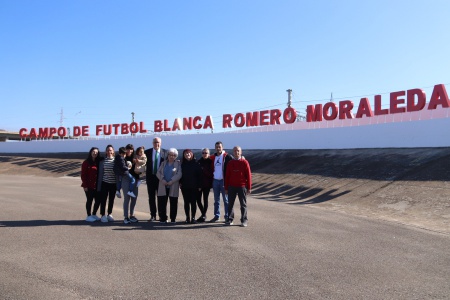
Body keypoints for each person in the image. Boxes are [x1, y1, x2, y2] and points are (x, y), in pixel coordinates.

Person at [224, 146, 252, 227]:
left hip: (242, 186)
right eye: (235, 151)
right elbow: (227, 176)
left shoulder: (245, 162)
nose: (236, 152)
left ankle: (244, 220)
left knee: (243, 204)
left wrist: (249, 187)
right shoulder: (230, 163)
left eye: (238, 151)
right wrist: (226, 188)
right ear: (233, 152)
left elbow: (249, 176)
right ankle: (229, 219)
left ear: (241, 152)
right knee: (230, 204)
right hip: (231, 186)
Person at [144, 137, 167, 221]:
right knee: (151, 197)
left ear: (161, 143)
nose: (156, 144)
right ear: (152, 143)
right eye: (155, 142)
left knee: (161, 197)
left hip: (160, 178)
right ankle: (153, 215)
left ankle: (161, 215)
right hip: (150, 177)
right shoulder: (147, 152)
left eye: (158, 142)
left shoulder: (165, 152)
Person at [209, 141, 232, 223]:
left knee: (226, 200)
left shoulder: (227, 156)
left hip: (223, 181)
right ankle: (216, 216)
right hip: (215, 181)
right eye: (217, 147)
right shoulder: (212, 157)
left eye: (219, 147)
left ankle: (227, 216)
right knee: (216, 200)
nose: (218, 148)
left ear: (222, 147)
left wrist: (242, 157)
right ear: (215, 148)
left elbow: (235, 161)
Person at [156, 148, 182, 223]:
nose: (171, 156)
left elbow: (179, 174)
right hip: (163, 185)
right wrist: (162, 179)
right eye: (170, 155)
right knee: (162, 203)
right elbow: (158, 173)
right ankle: (163, 218)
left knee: (173, 203)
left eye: (173, 155)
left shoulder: (178, 164)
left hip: (173, 186)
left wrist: (172, 181)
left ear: (176, 156)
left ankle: (173, 218)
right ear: (168, 155)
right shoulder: (163, 163)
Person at [180, 149, 201, 223]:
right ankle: (187, 218)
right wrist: (180, 183)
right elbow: (180, 175)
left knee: (193, 202)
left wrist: (199, 186)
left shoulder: (196, 163)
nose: (187, 154)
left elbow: (200, 176)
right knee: (186, 202)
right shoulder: (182, 164)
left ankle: (193, 218)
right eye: (185, 153)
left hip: (194, 186)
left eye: (189, 153)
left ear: (192, 154)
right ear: (184, 155)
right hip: (185, 186)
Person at [97, 144, 117, 223]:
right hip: (105, 182)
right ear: (106, 151)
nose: (109, 152)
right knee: (103, 199)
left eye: (111, 150)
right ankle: (103, 215)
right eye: (108, 150)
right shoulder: (103, 161)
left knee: (111, 199)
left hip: (113, 183)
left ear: (113, 151)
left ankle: (109, 214)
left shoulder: (115, 160)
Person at [81, 147, 101, 222]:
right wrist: (85, 185)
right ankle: (88, 215)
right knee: (89, 200)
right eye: (93, 152)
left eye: (96, 152)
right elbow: (83, 175)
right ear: (90, 152)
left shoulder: (98, 162)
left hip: (97, 185)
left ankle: (94, 214)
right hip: (88, 185)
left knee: (98, 200)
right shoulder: (86, 162)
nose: (95, 153)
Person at [123, 144, 141, 224]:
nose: (129, 151)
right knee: (127, 198)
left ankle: (132, 215)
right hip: (126, 180)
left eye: (131, 149)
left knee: (134, 198)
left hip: (135, 180)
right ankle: (126, 217)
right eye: (128, 149)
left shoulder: (135, 158)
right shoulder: (123, 158)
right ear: (125, 150)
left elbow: (139, 169)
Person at [196, 147, 213, 223]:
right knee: (198, 200)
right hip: (199, 184)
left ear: (208, 154)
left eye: (206, 153)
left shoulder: (210, 162)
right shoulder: (199, 161)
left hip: (207, 184)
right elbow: (197, 173)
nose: (204, 154)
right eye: (203, 153)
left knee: (205, 200)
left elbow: (211, 174)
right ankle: (203, 214)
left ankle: (203, 215)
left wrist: (204, 170)